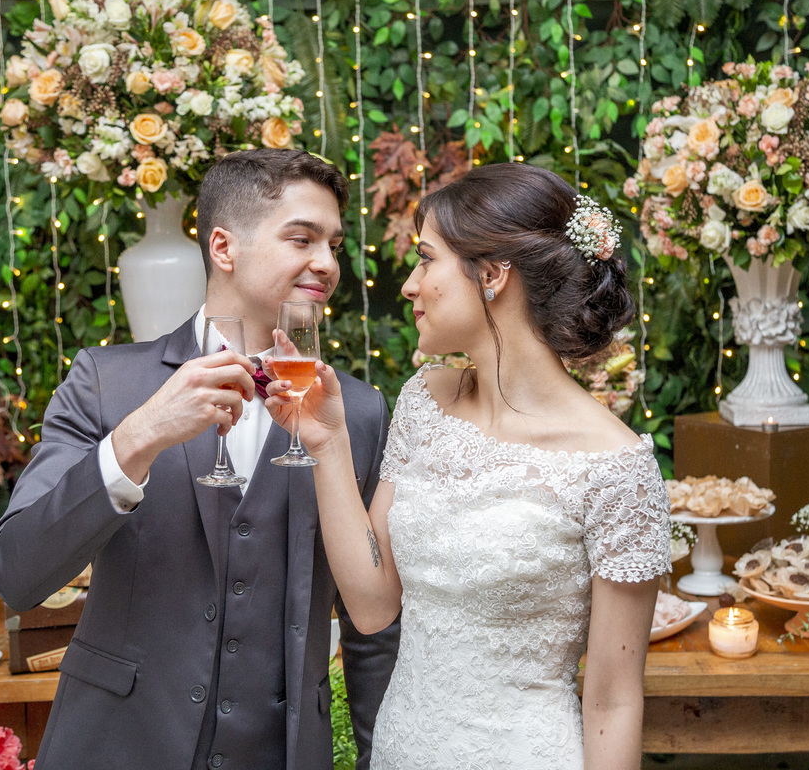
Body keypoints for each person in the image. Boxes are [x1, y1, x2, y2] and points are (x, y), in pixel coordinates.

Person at [0, 149, 399, 770]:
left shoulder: (359, 413)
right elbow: (18, 575)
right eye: (302, 238)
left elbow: (373, 632)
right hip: (117, 745)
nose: (327, 263)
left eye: (335, 245)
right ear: (223, 247)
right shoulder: (107, 382)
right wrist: (139, 437)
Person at [263, 162, 671, 769]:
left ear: (493, 275)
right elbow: (373, 605)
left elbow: (613, 701)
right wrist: (328, 444)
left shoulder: (616, 467)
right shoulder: (426, 400)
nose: (408, 284)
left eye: (426, 259)